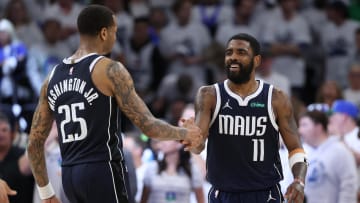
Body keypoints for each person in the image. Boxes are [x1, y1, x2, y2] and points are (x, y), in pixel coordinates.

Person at [26, 5, 203, 203]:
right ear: (104, 32)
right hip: (102, 171)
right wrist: (184, 134)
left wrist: (46, 192)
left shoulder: (51, 77)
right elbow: (148, 125)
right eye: (115, 31)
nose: (115, 38)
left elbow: (34, 143)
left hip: (69, 175)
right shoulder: (110, 70)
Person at [183, 33, 308, 203]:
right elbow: (199, 147)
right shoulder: (209, 95)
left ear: (257, 60)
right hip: (224, 193)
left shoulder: (276, 98)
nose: (233, 57)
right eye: (229, 52)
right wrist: (192, 139)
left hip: (264, 193)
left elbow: (295, 148)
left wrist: (299, 181)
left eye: (241, 52)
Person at [299, 107, 357, 203]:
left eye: (304, 125)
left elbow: (348, 188)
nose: (300, 130)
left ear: (318, 127)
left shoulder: (340, 151)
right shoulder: (305, 153)